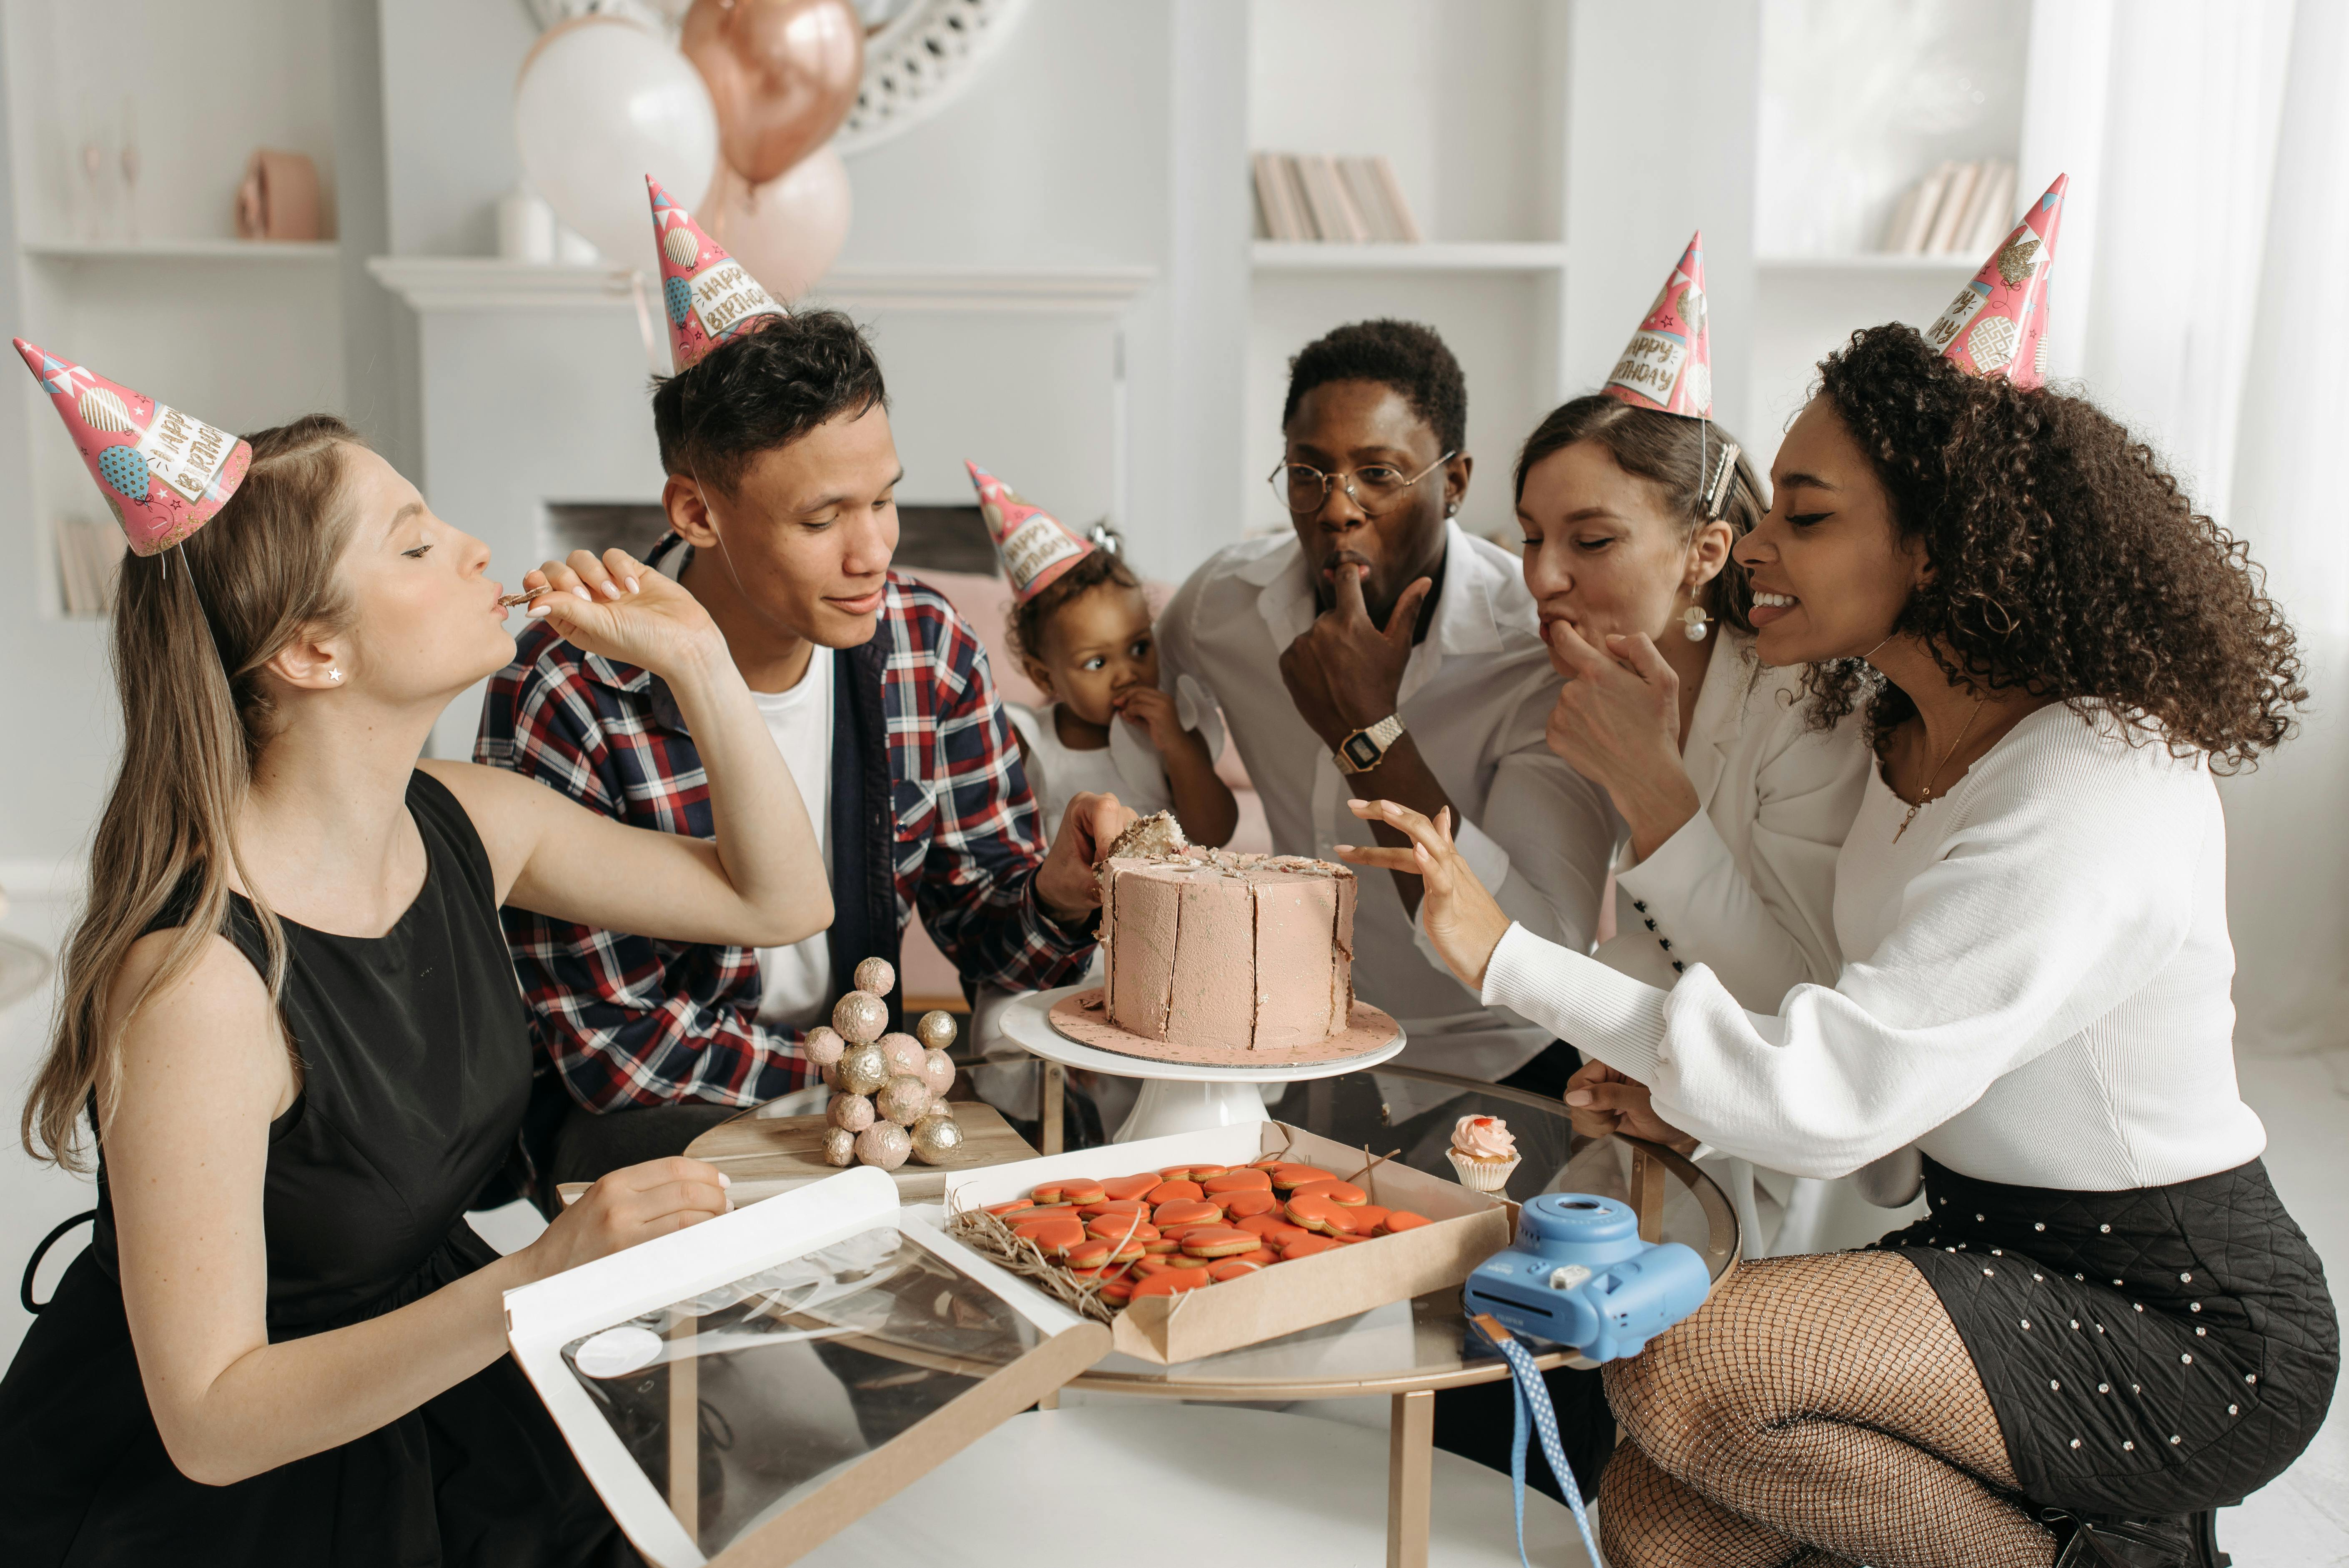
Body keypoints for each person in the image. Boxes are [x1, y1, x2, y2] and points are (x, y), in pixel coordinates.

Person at [1347, 259, 2340, 1563]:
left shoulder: (2090, 785)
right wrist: (1681, 1085)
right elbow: (1834, 1029)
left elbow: (1836, 1102)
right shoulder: (1911, 737)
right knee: (1651, 1514)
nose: (1752, 543)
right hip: (1984, 1241)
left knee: (1681, 1369)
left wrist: (1510, 955)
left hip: (2175, 1314)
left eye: (1805, 518)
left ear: (1942, 546)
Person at [0, 341, 829, 1564]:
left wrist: (701, 660)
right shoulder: (197, 990)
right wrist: (547, 1275)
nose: (476, 549)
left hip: (427, 1369)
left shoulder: (468, 822)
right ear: (311, 653)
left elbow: (779, 898)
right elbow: (213, 1425)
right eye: (413, 542)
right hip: (222, 1496)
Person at [478, 186, 1126, 1194]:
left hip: (869, 1085)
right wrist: (871, 1081)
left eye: (886, 498)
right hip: (664, 1116)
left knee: (1072, 1143)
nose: (875, 551)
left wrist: (1059, 892)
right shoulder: (569, 688)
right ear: (697, 511)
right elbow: (612, 1049)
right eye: (823, 518)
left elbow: (996, 937)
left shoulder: (923, 647)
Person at [1423, 236, 1873, 1507]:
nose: (1544, 578)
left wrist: (1654, 797)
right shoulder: (1608, 690)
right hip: (1667, 1107)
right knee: (1474, 1367)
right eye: (1528, 538)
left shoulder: (1806, 711)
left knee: (1588, 1425)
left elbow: (1804, 1000)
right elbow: (1616, 942)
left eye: (1592, 538)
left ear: (1709, 555)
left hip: (1820, 1162)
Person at [1155, 318, 1609, 1108]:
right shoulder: (1220, 606)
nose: (1338, 509)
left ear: (1456, 483)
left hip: (1498, 1060)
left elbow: (1542, 955)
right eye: (1308, 473)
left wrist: (1367, 731)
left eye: (1379, 474)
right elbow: (1144, 745)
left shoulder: (1531, 654)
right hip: (1300, 1041)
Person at [973, 462, 1236, 848]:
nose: (1127, 674)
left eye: (1139, 648)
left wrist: (1179, 747)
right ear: (1045, 677)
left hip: (1161, 905)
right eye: (1097, 663)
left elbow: (1216, 833)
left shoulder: (1169, 732)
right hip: (1071, 906)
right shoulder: (1033, 742)